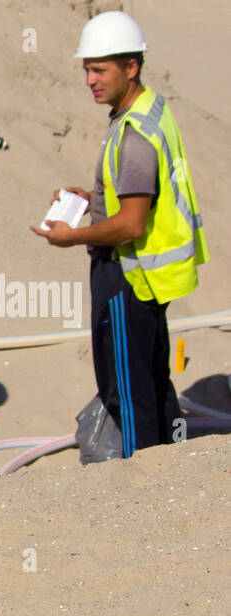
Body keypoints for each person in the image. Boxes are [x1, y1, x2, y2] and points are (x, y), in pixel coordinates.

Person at [32, 11, 207, 458]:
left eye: (100, 69)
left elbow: (132, 223)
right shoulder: (151, 109)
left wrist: (73, 235)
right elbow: (138, 195)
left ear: (132, 67)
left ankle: (139, 474)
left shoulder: (134, 136)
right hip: (148, 277)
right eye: (86, 68)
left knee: (127, 391)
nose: (90, 79)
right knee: (150, 378)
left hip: (127, 276)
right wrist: (93, 198)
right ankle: (172, 462)